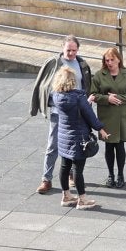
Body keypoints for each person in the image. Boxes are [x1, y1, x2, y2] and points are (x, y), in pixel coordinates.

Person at [29, 35, 92, 194]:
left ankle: (71, 175)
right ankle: (46, 179)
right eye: (68, 50)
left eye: (74, 50)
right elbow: (43, 85)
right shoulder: (54, 63)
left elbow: (86, 85)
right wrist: (53, 102)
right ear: (62, 48)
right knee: (53, 145)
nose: (71, 53)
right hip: (59, 112)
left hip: (77, 113)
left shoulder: (82, 64)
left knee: (74, 145)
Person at [50, 67, 107, 209]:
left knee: (64, 167)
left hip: (64, 137)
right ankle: (82, 200)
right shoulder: (78, 98)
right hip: (78, 138)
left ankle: (66, 196)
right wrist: (100, 128)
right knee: (78, 170)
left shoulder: (56, 96)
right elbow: (89, 115)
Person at [90, 46, 126, 189]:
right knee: (109, 146)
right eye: (107, 60)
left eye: (112, 59)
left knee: (120, 145)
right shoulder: (99, 75)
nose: (109, 63)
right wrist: (107, 99)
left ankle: (120, 174)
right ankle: (110, 175)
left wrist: (118, 98)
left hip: (121, 115)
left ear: (118, 59)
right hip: (107, 116)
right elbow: (93, 94)